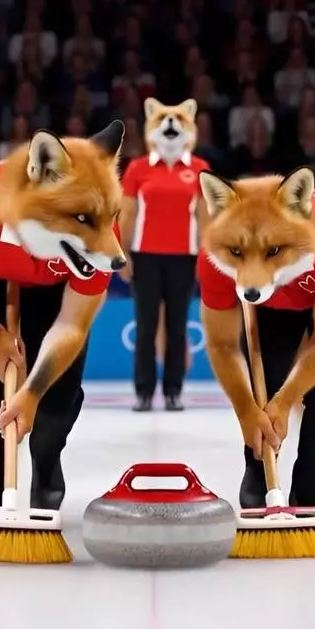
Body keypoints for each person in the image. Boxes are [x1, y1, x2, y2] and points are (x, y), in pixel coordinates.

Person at [0, 123, 126, 511]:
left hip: (53, 283)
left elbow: (72, 324)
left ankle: (47, 462)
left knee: (58, 395)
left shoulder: (98, 219)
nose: (114, 252)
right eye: (85, 220)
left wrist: (32, 393)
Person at [198, 167, 315, 509]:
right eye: (237, 254)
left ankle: (307, 494)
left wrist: (286, 404)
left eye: (271, 251)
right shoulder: (215, 257)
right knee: (264, 382)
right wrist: (245, 411)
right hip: (279, 293)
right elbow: (222, 344)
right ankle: (258, 475)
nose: (250, 277)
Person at [120, 98, 209, 411]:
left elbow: (204, 217)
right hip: (145, 257)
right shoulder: (137, 168)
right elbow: (127, 214)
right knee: (145, 326)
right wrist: (123, 255)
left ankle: (173, 391)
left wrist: (204, 257)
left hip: (184, 258)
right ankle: (144, 392)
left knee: (177, 325)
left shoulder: (199, 169)